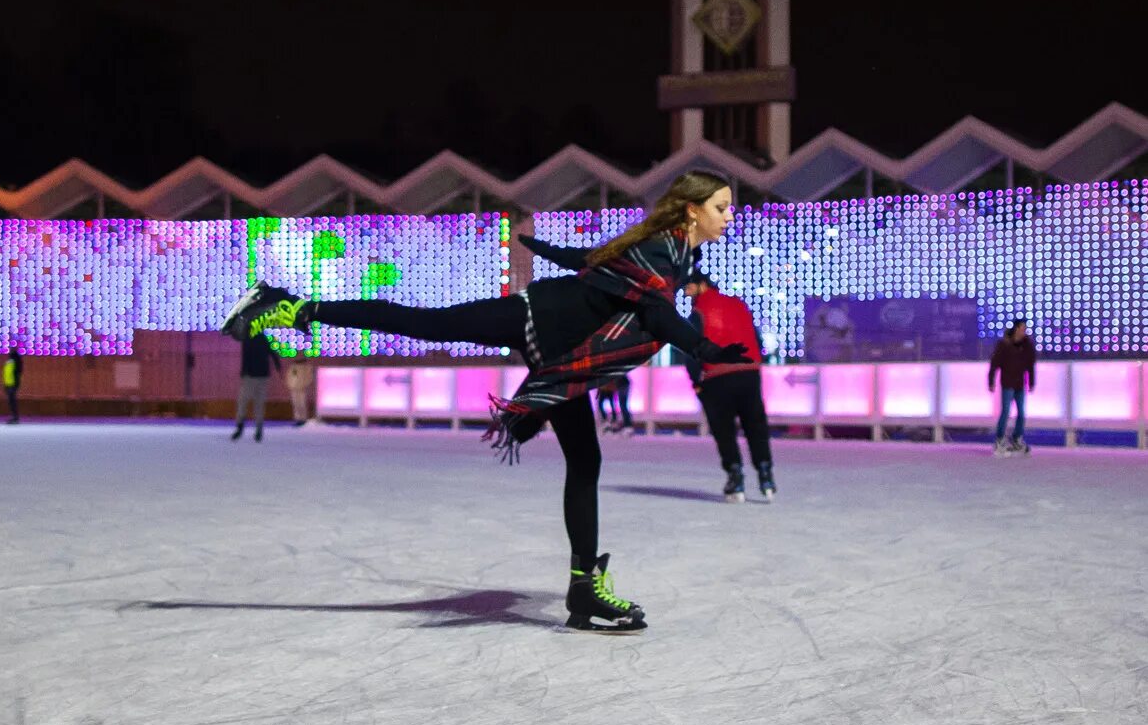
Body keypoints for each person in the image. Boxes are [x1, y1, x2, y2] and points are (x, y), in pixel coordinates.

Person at [221, 170, 750, 634]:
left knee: (586, 459)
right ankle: (290, 306)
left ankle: (583, 587)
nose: (729, 216)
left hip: (562, 352)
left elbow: (599, 265)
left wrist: (555, 254)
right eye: (722, 207)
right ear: (692, 209)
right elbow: (655, 314)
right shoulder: (663, 251)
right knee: (427, 322)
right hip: (535, 318)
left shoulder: (677, 252)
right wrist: (703, 347)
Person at [682, 273, 774, 502]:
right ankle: (765, 473)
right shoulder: (738, 304)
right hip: (749, 373)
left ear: (702, 285)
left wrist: (696, 382)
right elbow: (757, 339)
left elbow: (691, 348)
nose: (686, 293)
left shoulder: (698, 313)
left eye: (689, 287)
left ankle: (735, 477)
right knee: (755, 425)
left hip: (717, 376)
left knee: (724, 430)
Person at [988, 319, 1036, 456]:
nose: (1024, 331)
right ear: (1015, 329)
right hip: (1008, 383)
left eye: (1025, 329)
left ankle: (1016, 439)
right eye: (1021, 328)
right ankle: (999, 440)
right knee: (1006, 412)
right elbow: (995, 363)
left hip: (1020, 384)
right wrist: (991, 381)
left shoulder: (1027, 345)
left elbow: (1030, 365)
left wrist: (1031, 382)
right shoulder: (1004, 344)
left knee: (1021, 413)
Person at [231, 333, 282, 442]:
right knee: (259, 403)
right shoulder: (263, 338)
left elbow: (245, 356)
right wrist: (278, 367)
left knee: (243, 401)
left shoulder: (247, 338)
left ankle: (240, 426)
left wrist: (243, 372)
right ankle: (258, 429)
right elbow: (273, 353)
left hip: (251, 375)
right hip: (263, 374)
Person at [284, 354, 315, 426]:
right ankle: (298, 419)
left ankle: (303, 419)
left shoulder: (307, 367)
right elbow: (289, 377)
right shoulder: (293, 367)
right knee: (296, 403)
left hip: (302, 388)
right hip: (294, 387)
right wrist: (290, 385)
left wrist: (305, 385)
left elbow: (310, 378)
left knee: (302, 403)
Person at [2, 348, 23, 424]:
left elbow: (17, 372)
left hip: (12, 383)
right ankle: (14, 416)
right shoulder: (10, 361)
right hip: (8, 383)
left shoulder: (15, 360)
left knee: (12, 401)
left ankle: (15, 417)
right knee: (11, 401)